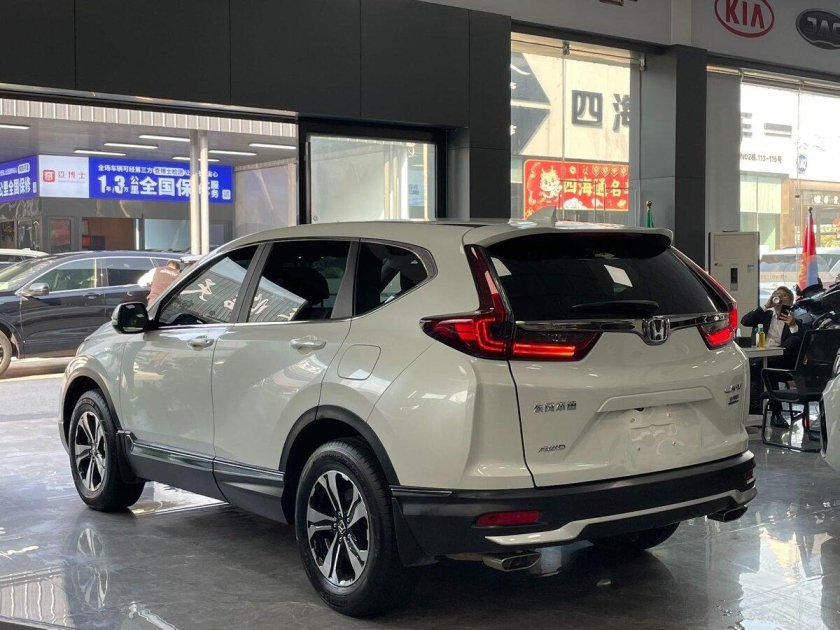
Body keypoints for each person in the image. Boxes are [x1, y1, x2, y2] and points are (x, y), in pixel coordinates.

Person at [741, 286, 804, 428]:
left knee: (770, 367)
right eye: (777, 295)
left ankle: (774, 414)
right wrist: (766, 305)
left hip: (782, 363)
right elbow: (745, 321)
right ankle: (759, 414)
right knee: (763, 368)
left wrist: (792, 325)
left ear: (791, 302)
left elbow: (800, 343)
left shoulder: (796, 322)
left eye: (784, 296)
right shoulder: (765, 316)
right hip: (761, 357)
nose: (779, 298)